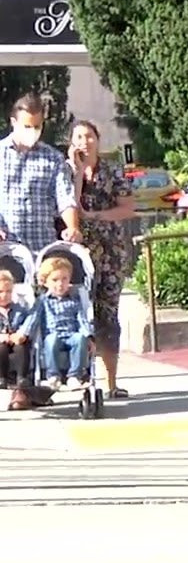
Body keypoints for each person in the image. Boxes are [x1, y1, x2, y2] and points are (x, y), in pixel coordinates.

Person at [69, 120, 136, 398]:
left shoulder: (112, 171)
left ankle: (111, 381)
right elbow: (69, 203)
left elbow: (127, 208)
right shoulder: (67, 172)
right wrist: (76, 172)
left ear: (98, 139)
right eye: (79, 137)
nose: (85, 142)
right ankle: (81, 377)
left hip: (110, 251)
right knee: (78, 314)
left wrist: (96, 217)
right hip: (79, 253)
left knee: (108, 315)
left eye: (89, 136)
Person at [0, 93, 83, 250]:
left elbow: (65, 198)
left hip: (42, 247)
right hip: (5, 248)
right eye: (27, 127)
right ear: (13, 123)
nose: (32, 131)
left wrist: (72, 227)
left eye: (37, 126)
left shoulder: (53, 158)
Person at [27, 256, 93, 390]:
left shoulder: (74, 299)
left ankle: (74, 376)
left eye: (64, 279)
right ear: (45, 282)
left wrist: (89, 336)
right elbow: (33, 318)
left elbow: (82, 319)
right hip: (53, 335)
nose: (60, 284)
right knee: (51, 341)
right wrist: (25, 333)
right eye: (55, 280)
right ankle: (53, 376)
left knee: (80, 339)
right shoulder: (43, 301)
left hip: (71, 334)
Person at [0, 269, 34, 409]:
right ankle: (1, 377)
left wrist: (21, 333)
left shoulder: (19, 309)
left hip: (16, 339)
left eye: (8, 292)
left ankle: (22, 378)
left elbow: (28, 321)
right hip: (1, 341)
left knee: (22, 347)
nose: (4, 296)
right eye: (1, 292)